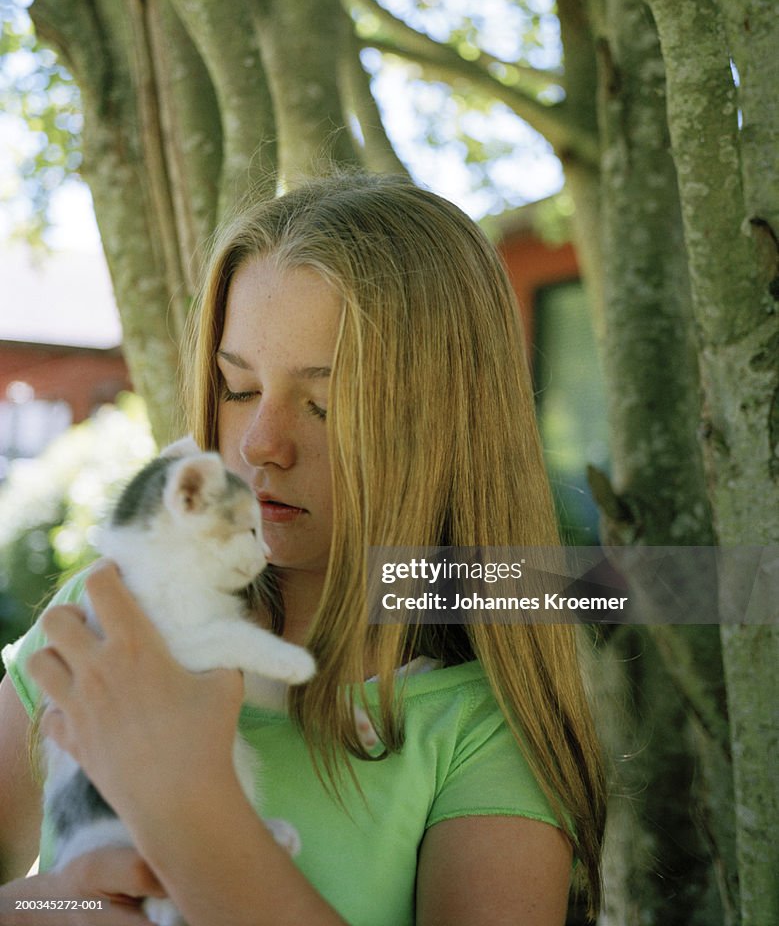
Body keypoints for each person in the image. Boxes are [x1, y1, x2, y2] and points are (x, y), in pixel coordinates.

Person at [0, 173, 605, 925]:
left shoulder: (479, 733)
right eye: (237, 388)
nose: (261, 444)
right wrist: (43, 907)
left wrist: (187, 808)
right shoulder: (110, 620)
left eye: (328, 403)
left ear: (446, 427)